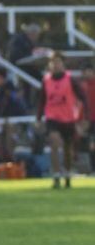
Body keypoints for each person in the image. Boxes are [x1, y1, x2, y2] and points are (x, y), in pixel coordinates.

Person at [37, 52, 87, 188]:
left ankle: (67, 173)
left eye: (58, 62)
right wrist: (38, 118)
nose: (56, 65)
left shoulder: (70, 79)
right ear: (49, 65)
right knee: (54, 142)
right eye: (53, 62)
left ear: (63, 64)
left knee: (67, 148)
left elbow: (82, 97)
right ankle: (56, 174)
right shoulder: (46, 80)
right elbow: (42, 100)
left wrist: (83, 118)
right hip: (52, 118)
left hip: (68, 118)